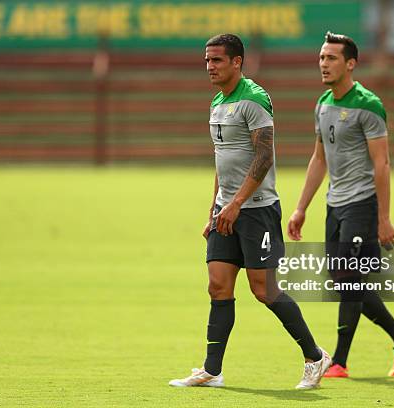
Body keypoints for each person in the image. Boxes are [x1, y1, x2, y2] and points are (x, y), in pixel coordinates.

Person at [169, 33, 330, 389]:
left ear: (237, 62)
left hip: (257, 211)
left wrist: (237, 204)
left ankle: (315, 357)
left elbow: (264, 156)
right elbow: (222, 162)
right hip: (225, 211)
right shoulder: (216, 102)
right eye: (207, 60)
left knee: (264, 290)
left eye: (217, 60)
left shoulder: (254, 99)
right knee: (218, 286)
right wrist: (214, 210)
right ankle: (212, 370)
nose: (209, 66)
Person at [287, 32, 394, 378]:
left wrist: (384, 218)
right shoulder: (323, 103)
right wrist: (301, 207)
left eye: (331, 58)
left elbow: (383, 164)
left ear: (350, 63)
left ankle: (340, 362)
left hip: (362, 204)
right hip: (335, 204)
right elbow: (319, 158)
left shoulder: (369, 105)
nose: (324, 64)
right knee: (344, 279)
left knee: (349, 279)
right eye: (321, 57)